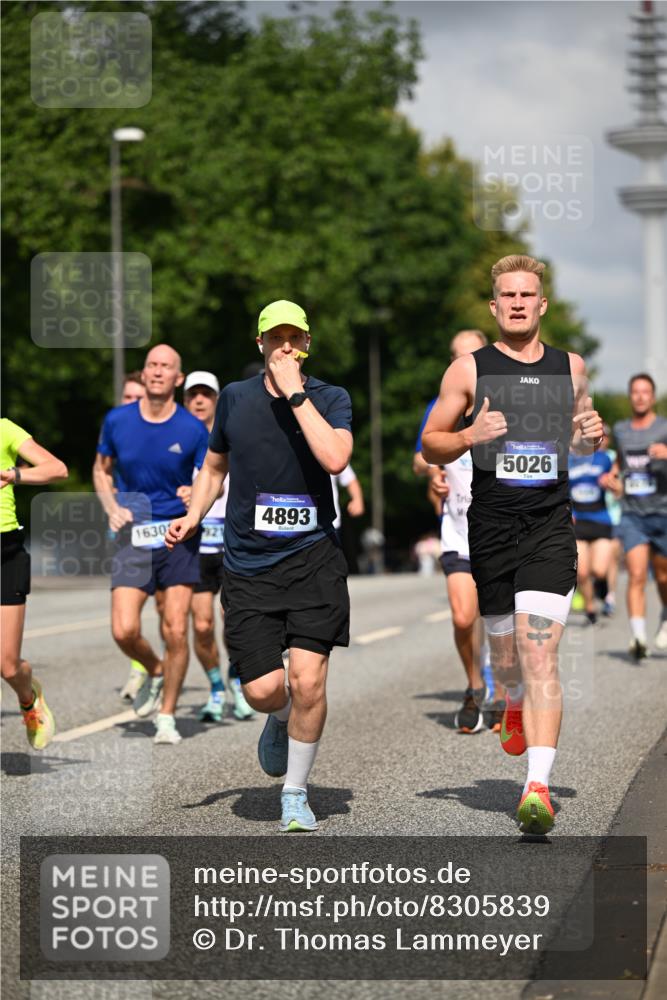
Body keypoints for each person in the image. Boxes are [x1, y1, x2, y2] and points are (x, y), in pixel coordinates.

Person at [422, 255, 603, 835]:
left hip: (550, 523)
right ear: (496, 306)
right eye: (508, 295)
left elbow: (581, 438)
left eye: (528, 294)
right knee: (506, 660)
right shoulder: (468, 371)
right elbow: (431, 443)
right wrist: (469, 435)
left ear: (541, 304)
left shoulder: (570, 367)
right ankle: (511, 700)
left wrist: (590, 437)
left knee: (540, 647)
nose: (519, 303)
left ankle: (537, 788)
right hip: (493, 524)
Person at [166, 300, 352, 832]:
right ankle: (276, 718)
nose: (285, 347)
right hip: (249, 565)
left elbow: (335, 459)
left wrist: (296, 394)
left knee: (309, 682)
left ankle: (294, 793)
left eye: (295, 338)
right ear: (261, 344)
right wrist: (192, 514)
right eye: (276, 338)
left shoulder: (329, 398)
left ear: (307, 345)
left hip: (315, 558)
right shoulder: (234, 399)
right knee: (264, 689)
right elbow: (214, 466)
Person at [93, 344, 209, 745]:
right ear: (143, 375)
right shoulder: (117, 420)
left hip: (177, 536)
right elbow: (100, 470)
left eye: (166, 367)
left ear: (178, 379)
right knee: (124, 629)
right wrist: (110, 505)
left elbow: (214, 476)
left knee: (176, 628)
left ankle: (167, 715)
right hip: (133, 535)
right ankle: (155, 669)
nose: (157, 372)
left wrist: (196, 495)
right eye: (151, 365)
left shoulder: (193, 429)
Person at [414, 329, 497, 735]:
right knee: (465, 617)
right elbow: (420, 456)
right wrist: (432, 474)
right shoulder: (441, 405)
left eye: (470, 355)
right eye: (455, 356)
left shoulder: (509, 402)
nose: (462, 363)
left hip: (503, 531)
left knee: (502, 619)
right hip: (459, 530)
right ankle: (476, 686)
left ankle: (507, 690)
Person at [181, 370, 255, 723]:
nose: (199, 400)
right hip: (195, 545)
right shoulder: (176, 438)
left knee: (234, 622)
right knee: (201, 625)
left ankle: (238, 683)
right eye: (192, 394)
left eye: (206, 395)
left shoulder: (234, 432)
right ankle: (215, 688)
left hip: (232, 541)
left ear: (216, 400)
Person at [1, 418, 67, 749]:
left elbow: (57, 469)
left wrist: (15, 475)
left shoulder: (4, 429)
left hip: (5, 553)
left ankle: (29, 700)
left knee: (7, 665)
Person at [604, 374, 667, 659]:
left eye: (645, 392)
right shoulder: (621, 429)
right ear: (630, 396)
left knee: (664, 578)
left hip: (662, 512)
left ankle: (665, 616)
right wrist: (612, 475)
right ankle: (639, 637)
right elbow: (620, 461)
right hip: (632, 513)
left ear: (652, 397)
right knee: (637, 574)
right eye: (635, 392)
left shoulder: (664, 427)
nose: (640, 397)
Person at [568, 429, 614, 624]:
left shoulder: (604, 459)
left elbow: (617, 485)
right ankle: (589, 606)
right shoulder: (567, 460)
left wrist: (611, 483)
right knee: (582, 572)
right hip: (578, 520)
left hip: (600, 518)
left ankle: (602, 586)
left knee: (600, 570)